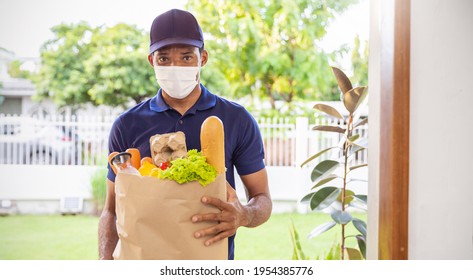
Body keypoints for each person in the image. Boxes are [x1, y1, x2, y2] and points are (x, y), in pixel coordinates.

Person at [98, 9, 272, 260]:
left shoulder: (236, 119)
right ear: (151, 61)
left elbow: (262, 198)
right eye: (165, 59)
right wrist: (104, 262)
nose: (175, 66)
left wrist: (245, 214)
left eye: (187, 57)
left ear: (203, 58)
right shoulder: (127, 124)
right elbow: (111, 211)